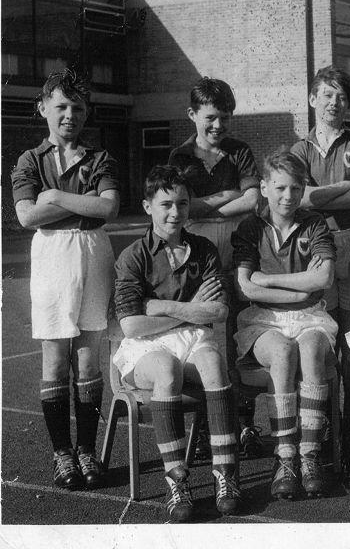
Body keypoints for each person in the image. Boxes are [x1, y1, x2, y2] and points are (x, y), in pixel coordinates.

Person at [11, 69, 119, 492]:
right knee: (55, 359)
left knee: (89, 360)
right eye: (60, 107)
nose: (69, 115)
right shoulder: (29, 160)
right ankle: (62, 453)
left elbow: (107, 210)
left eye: (77, 108)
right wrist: (80, 203)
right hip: (52, 256)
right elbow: (25, 216)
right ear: (43, 109)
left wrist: (53, 197)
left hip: (94, 253)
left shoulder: (100, 158)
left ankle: (87, 450)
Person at [113, 165, 242, 522]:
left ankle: (225, 475)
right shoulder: (134, 255)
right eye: (166, 204)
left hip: (192, 337)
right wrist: (188, 309)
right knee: (167, 369)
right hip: (145, 345)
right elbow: (132, 324)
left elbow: (217, 309)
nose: (175, 212)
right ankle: (176, 481)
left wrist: (161, 306)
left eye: (182, 204)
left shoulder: (203, 248)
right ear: (147, 206)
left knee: (214, 363)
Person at [231, 152, 337, 500]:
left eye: (295, 188)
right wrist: (301, 286)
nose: (287, 196)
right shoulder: (250, 227)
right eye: (279, 188)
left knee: (308, 349)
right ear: (263, 188)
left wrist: (270, 280)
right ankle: (285, 455)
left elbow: (324, 277)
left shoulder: (314, 223)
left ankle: (309, 453)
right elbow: (246, 286)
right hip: (263, 319)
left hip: (311, 316)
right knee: (281, 351)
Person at [168, 77, 264, 457]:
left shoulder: (239, 150)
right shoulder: (181, 157)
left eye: (225, 117)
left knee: (240, 329)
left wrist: (209, 201)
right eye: (210, 118)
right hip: (199, 250)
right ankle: (210, 422)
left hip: (238, 246)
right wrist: (228, 195)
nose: (218, 126)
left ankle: (246, 422)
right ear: (192, 115)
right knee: (206, 332)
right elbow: (182, 206)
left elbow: (253, 200)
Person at [289, 65, 350, 442]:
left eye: (340, 96)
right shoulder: (299, 149)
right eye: (326, 94)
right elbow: (300, 198)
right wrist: (345, 187)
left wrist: (320, 194)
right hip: (314, 250)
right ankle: (319, 427)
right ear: (312, 99)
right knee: (320, 340)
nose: (333, 103)